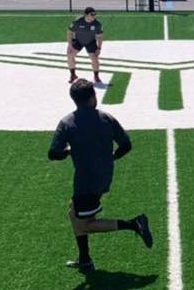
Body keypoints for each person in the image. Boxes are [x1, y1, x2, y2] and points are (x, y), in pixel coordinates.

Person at [48, 79, 153, 271]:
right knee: (74, 212)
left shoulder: (67, 122)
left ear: (74, 100)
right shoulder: (106, 118)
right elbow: (126, 145)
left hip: (86, 181)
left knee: (86, 224)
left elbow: (53, 153)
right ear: (92, 97)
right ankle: (85, 259)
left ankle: (134, 224)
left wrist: (69, 151)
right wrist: (111, 158)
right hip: (104, 175)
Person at [67, 7, 104, 84]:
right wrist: (70, 45)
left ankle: (96, 76)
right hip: (78, 41)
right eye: (92, 14)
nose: (94, 16)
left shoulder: (97, 24)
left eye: (95, 14)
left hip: (91, 42)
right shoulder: (78, 21)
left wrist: (99, 48)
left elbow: (100, 36)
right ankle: (73, 75)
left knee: (94, 58)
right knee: (70, 55)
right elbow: (69, 32)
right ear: (86, 15)